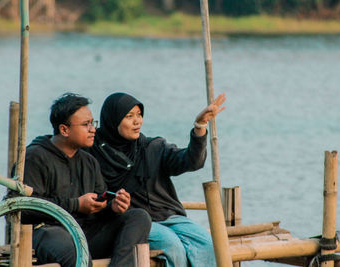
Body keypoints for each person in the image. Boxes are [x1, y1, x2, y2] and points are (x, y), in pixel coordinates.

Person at [86, 92, 226, 267]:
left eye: (139, 114)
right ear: (113, 120)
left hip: (170, 217)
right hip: (135, 221)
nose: (137, 121)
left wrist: (200, 126)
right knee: (172, 246)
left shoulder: (153, 147)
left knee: (206, 244)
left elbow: (191, 161)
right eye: (129, 116)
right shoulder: (94, 155)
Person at [14, 93, 151, 267]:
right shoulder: (35, 157)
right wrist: (76, 204)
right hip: (47, 232)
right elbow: (23, 207)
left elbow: (100, 207)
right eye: (86, 125)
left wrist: (112, 206)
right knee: (78, 252)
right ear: (64, 130)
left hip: (84, 232)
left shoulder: (89, 161)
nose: (93, 129)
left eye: (93, 123)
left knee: (138, 216)